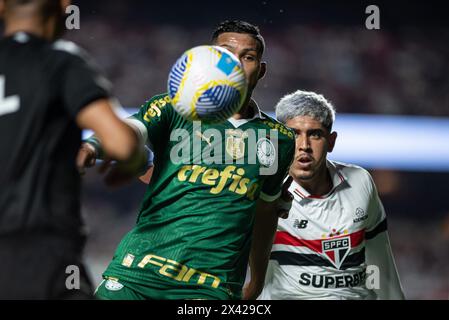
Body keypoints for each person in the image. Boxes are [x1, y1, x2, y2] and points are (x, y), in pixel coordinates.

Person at [78, 20, 296, 300]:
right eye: (225, 55)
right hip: (136, 274)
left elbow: (265, 212)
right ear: (207, 59)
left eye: (248, 57)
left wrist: (257, 278)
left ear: (261, 70)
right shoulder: (173, 108)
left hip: (211, 288)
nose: (236, 65)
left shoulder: (279, 139)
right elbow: (132, 130)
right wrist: (93, 146)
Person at [0, 0, 147, 299]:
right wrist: (134, 162)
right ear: (65, 5)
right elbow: (121, 142)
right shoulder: (60, 61)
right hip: (41, 254)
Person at [255, 90, 405, 300]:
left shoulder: (360, 182)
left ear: (331, 141)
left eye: (315, 134)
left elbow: (379, 264)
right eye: (294, 133)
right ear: (280, 140)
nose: (304, 146)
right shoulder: (262, 191)